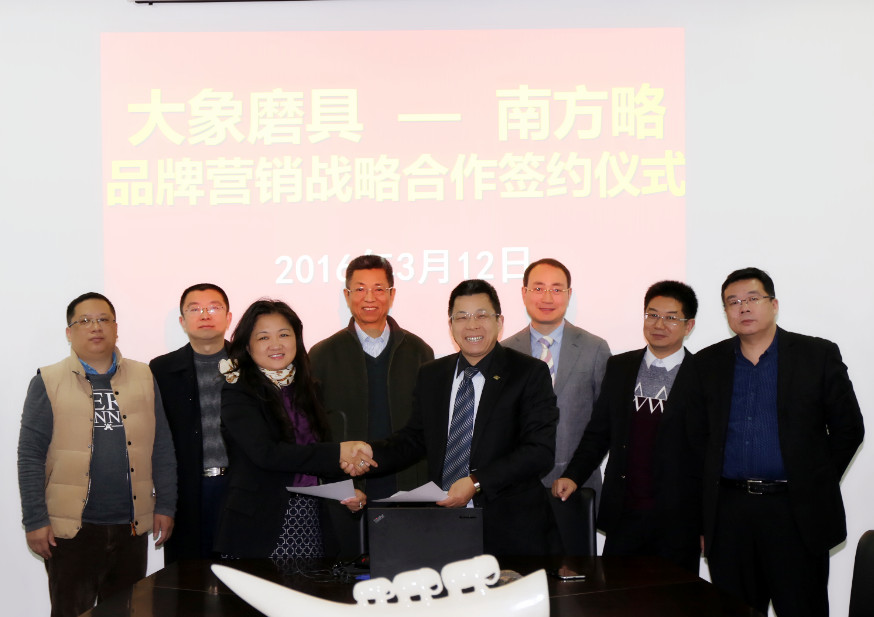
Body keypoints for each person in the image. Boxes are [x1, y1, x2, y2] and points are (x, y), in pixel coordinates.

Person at [696, 267, 864, 616]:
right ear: (725, 312)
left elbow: (849, 429)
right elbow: (696, 440)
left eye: (752, 298)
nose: (743, 307)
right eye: (733, 302)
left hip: (794, 511)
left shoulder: (816, 355)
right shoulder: (707, 363)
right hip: (729, 513)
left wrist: (813, 481)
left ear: (773, 304)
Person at [352, 279, 558, 556]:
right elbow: (414, 439)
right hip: (444, 524)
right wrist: (370, 454)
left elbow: (539, 451)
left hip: (510, 528)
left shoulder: (529, 373)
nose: (472, 325)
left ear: (499, 322)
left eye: (481, 315)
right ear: (450, 325)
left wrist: (476, 482)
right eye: (461, 317)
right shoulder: (432, 374)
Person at [17, 292, 177, 617]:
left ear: (116, 328)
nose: (96, 327)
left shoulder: (144, 377)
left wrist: (166, 505)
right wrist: (35, 520)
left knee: (125, 611)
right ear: (69, 332)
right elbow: (30, 455)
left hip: (130, 527)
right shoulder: (48, 381)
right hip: (71, 531)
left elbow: (161, 445)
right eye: (85, 321)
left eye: (104, 319)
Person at [554, 281, 703, 572]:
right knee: (617, 593)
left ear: (689, 325)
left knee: (675, 597)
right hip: (625, 513)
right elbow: (599, 433)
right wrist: (573, 474)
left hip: (678, 520)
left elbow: (707, 454)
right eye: (652, 315)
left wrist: (706, 523)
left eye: (671, 317)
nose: (659, 324)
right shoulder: (620, 367)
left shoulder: (702, 375)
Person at [213, 299, 372, 560]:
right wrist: (337, 453)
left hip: (312, 518)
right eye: (264, 337)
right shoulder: (238, 391)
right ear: (248, 346)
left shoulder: (309, 388)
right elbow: (267, 454)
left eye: (284, 335)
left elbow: (317, 449)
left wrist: (347, 490)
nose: (276, 344)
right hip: (260, 523)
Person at [309, 255, 433, 555]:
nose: (369, 298)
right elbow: (314, 432)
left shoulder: (420, 352)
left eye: (379, 289)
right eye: (360, 289)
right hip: (346, 491)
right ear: (347, 295)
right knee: (346, 576)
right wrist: (340, 484)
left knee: (406, 571)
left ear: (392, 294)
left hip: (407, 488)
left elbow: (429, 430)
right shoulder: (322, 355)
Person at [503, 258, 611, 555]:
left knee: (578, 574)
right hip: (517, 491)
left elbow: (604, 422)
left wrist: (575, 472)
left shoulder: (594, 348)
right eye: (538, 288)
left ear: (569, 294)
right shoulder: (505, 351)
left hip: (577, 486)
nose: (547, 298)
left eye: (556, 289)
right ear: (524, 293)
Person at [150, 283, 232, 563]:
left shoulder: (249, 364)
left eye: (214, 308)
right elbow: (158, 440)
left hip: (239, 488)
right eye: (195, 309)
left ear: (228, 317)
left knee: (240, 577)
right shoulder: (161, 370)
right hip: (186, 490)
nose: (205, 315)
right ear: (182, 321)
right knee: (186, 578)